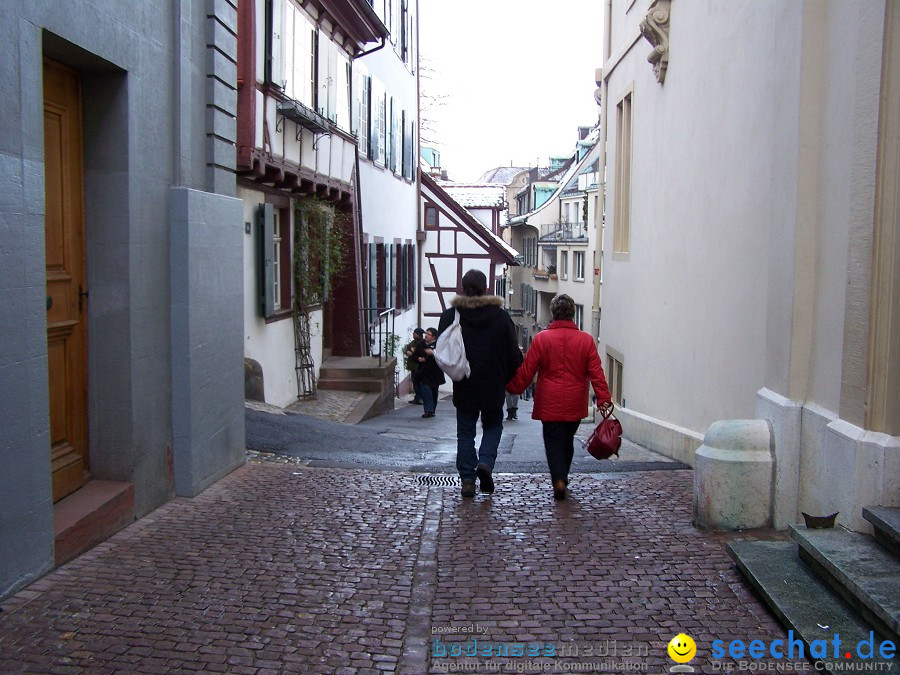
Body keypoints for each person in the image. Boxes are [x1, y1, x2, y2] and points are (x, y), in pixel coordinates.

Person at [506, 294, 613, 501]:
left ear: (554, 313)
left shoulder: (542, 339)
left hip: (549, 400)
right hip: (575, 400)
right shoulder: (586, 340)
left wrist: (512, 387)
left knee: (553, 440)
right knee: (567, 440)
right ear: (572, 313)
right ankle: (563, 475)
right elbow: (596, 372)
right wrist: (603, 398)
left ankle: (559, 479)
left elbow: (528, 370)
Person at [437, 269, 523, 498]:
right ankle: (485, 462)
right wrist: (505, 376)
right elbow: (515, 356)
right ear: (486, 288)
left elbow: (442, 350)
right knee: (493, 425)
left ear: (463, 288)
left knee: (465, 432)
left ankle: (467, 480)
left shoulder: (451, 316)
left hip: (465, 383)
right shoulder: (501, 317)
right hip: (493, 384)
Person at [415, 327, 445, 418]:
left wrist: (433, 353)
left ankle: (432, 410)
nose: (426, 336)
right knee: (426, 390)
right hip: (424, 372)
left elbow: (443, 356)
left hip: (435, 372)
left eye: (429, 334)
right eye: (426, 334)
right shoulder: (421, 344)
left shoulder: (439, 345)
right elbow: (415, 355)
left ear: (434, 337)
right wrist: (418, 359)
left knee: (434, 392)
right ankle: (428, 410)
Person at [404, 328, 425, 404]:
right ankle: (417, 397)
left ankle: (421, 397)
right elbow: (408, 348)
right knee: (415, 382)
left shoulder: (422, 343)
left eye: (414, 333)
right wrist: (407, 352)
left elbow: (421, 354)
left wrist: (412, 354)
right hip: (413, 365)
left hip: (418, 366)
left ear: (418, 334)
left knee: (419, 382)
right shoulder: (414, 342)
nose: (413, 334)